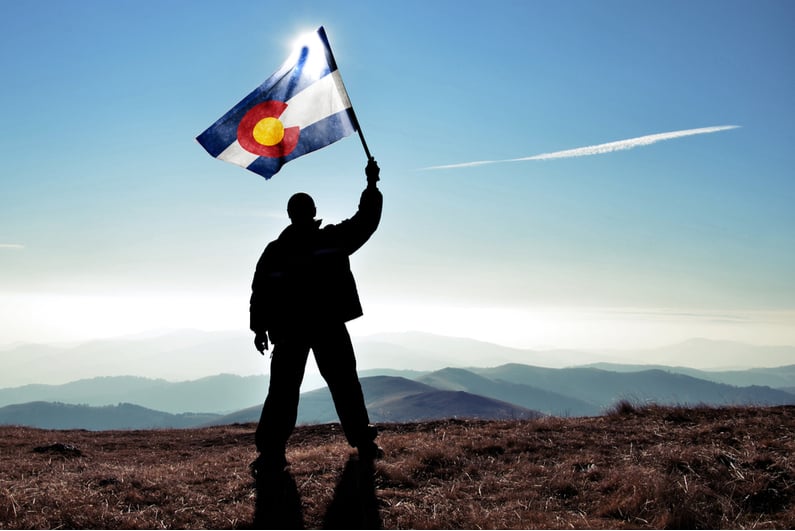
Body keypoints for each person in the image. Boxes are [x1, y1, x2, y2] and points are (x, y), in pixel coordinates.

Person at [249, 159, 384, 475]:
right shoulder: (330, 240)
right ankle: (363, 442)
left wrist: (259, 328)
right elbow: (365, 222)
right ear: (311, 212)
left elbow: (260, 292)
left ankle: (271, 453)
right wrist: (372, 185)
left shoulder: (277, 250)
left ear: (293, 214)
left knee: (286, 391)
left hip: (293, 330)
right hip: (324, 325)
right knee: (342, 385)